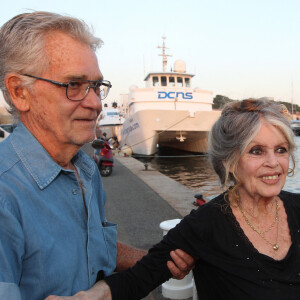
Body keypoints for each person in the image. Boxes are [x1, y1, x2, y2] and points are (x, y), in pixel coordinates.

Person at [0, 12, 194, 300]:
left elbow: (95, 247)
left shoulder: (85, 168)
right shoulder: (6, 195)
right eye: (73, 86)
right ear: (19, 92)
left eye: (95, 86)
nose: (94, 104)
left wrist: (163, 261)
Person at [48, 98, 300, 300]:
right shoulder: (206, 224)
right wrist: (91, 296)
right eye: (256, 151)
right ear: (229, 161)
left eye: (281, 150)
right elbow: (140, 277)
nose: (273, 163)